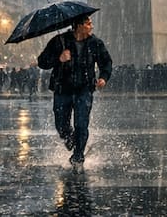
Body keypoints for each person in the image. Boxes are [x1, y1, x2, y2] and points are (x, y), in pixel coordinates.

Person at [37, 15, 112, 171]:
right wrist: (59, 58)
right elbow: (42, 61)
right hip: (62, 89)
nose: (91, 26)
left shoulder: (95, 43)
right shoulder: (59, 41)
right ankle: (70, 139)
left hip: (84, 90)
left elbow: (106, 62)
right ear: (78, 26)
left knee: (81, 124)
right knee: (61, 125)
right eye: (88, 23)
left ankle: (78, 156)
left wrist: (103, 78)